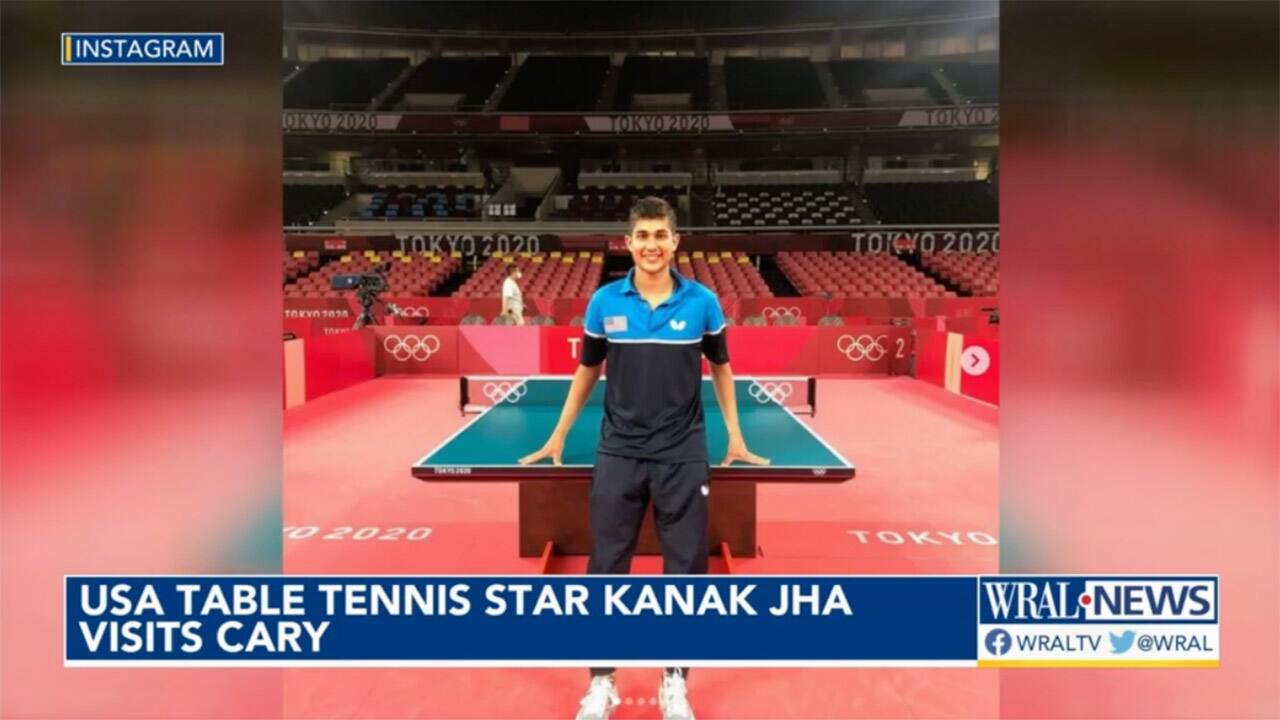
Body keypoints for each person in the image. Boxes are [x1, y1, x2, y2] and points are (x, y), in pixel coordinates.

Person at [519, 196, 768, 720]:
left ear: (675, 242)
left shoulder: (702, 303)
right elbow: (587, 370)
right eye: (642, 236)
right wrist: (558, 434)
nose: (651, 245)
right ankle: (601, 680)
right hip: (620, 450)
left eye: (661, 235)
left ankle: (674, 678)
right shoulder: (603, 302)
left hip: (682, 452)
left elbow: (721, 368)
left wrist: (736, 436)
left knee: (686, 570)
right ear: (628, 243)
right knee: (607, 565)